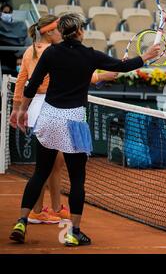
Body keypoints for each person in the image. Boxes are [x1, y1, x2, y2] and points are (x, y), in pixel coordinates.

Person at [9, 13, 160, 246]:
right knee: (77, 179)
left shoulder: (51, 53)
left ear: (61, 31)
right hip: (74, 120)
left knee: (40, 172)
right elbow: (122, 66)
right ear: (79, 31)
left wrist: (21, 111)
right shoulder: (89, 55)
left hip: (48, 117)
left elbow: (32, 85)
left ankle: (21, 220)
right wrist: (147, 56)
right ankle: (74, 232)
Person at [9, 15, 119, 224]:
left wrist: (18, 110)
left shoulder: (33, 51)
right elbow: (68, 77)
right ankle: (41, 210)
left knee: (49, 166)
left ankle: (47, 208)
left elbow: (22, 82)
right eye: (57, 29)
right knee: (52, 166)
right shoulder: (50, 52)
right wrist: (101, 77)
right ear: (50, 32)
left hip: (38, 109)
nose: (61, 32)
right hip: (52, 108)